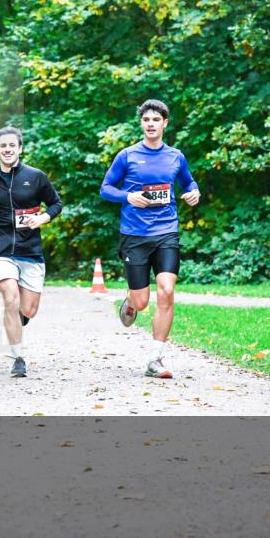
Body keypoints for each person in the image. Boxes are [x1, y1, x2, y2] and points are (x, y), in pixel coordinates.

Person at [100, 99, 200, 379]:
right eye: (146, 120)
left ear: (165, 123)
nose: (151, 124)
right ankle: (131, 302)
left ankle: (155, 359)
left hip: (167, 231)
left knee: (167, 290)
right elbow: (105, 188)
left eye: (156, 120)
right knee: (142, 302)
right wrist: (127, 196)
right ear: (141, 124)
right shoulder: (127, 156)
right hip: (134, 234)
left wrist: (194, 192)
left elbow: (188, 182)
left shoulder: (175, 156)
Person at [0, 127, 62, 377]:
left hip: (31, 250)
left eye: (12, 145)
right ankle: (17, 358)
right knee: (10, 298)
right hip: (2, 249)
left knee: (28, 310)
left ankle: (20, 317)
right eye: (3, 146)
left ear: (20, 148)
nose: (7, 149)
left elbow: (56, 203)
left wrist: (43, 218)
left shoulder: (35, 176)